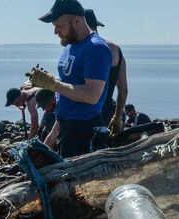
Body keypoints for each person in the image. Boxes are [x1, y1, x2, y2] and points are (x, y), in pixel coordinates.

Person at [29, 0, 112, 158]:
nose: (55, 31)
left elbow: (91, 95)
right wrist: (43, 82)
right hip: (67, 126)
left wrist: (53, 84)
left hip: (84, 131)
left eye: (59, 26)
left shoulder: (95, 48)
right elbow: (69, 84)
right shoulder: (70, 46)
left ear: (77, 20)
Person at [84, 9, 127, 138]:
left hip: (87, 115)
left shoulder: (85, 49)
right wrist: (117, 116)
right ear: (96, 25)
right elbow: (123, 90)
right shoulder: (116, 49)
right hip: (109, 111)